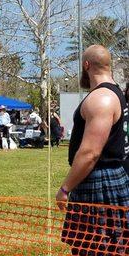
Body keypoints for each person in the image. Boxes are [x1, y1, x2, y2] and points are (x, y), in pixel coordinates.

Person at [56, 45, 129, 255]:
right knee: (112, 246)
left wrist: (65, 189)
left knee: (96, 248)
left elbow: (90, 153)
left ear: (86, 65)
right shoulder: (113, 91)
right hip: (109, 177)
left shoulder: (101, 99)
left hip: (99, 181)